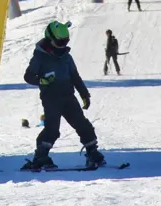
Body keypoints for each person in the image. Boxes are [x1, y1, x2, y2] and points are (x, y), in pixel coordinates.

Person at [22, 21, 105, 169]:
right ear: (50, 39)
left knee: (82, 124)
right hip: (51, 98)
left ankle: (92, 152)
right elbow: (28, 76)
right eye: (60, 42)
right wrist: (42, 80)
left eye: (65, 42)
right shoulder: (40, 57)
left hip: (68, 96)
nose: (62, 45)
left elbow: (75, 77)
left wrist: (84, 94)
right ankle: (41, 156)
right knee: (52, 129)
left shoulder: (66, 57)